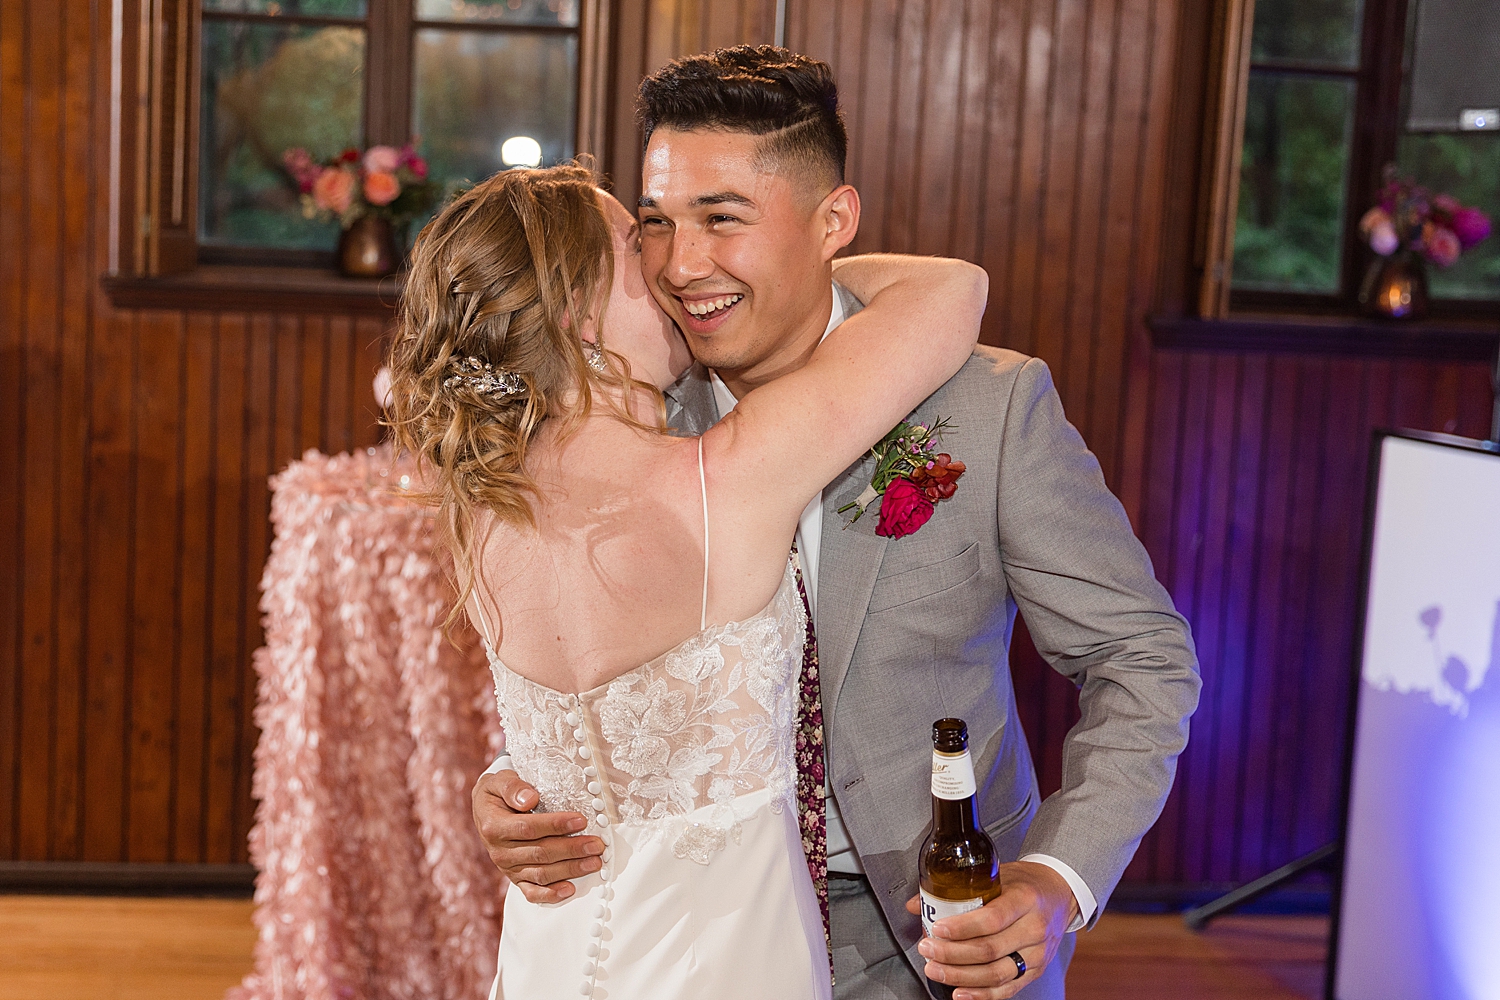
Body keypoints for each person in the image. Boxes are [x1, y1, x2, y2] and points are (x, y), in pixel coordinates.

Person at [472, 47, 1202, 1000]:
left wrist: (1057, 881)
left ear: (833, 222)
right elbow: (601, 662)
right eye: (655, 224)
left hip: (941, 926)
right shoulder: (630, 416)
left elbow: (1142, 659)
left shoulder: (987, 405)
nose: (683, 266)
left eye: (723, 219)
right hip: (702, 935)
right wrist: (515, 783)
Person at [388, 162, 988, 999]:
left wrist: (501, 784)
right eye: (641, 248)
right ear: (576, 315)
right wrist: (768, 275)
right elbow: (954, 291)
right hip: (724, 957)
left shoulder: (478, 511)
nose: (677, 268)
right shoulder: (730, 479)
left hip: (552, 955)